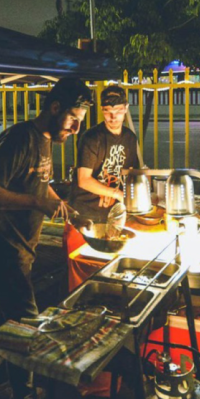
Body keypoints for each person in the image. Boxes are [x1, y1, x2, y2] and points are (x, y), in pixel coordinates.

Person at [0, 77, 93, 399]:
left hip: (19, 249)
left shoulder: (44, 142)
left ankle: (0, 387)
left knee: (6, 317)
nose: (76, 128)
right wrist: (34, 204)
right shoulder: (20, 138)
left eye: (81, 121)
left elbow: (38, 184)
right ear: (54, 108)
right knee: (25, 324)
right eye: (73, 118)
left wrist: (60, 204)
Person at [65, 85, 141, 289]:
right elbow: (84, 179)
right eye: (107, 111)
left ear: (125, 108)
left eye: (117, 111)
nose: (112, 117)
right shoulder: (91, 138)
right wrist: (115, 192)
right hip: (83, 214)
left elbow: (130, 172)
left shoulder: (130, 138)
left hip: (111, 217)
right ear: (102, 110)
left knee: (109, 276)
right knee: (80, 272)